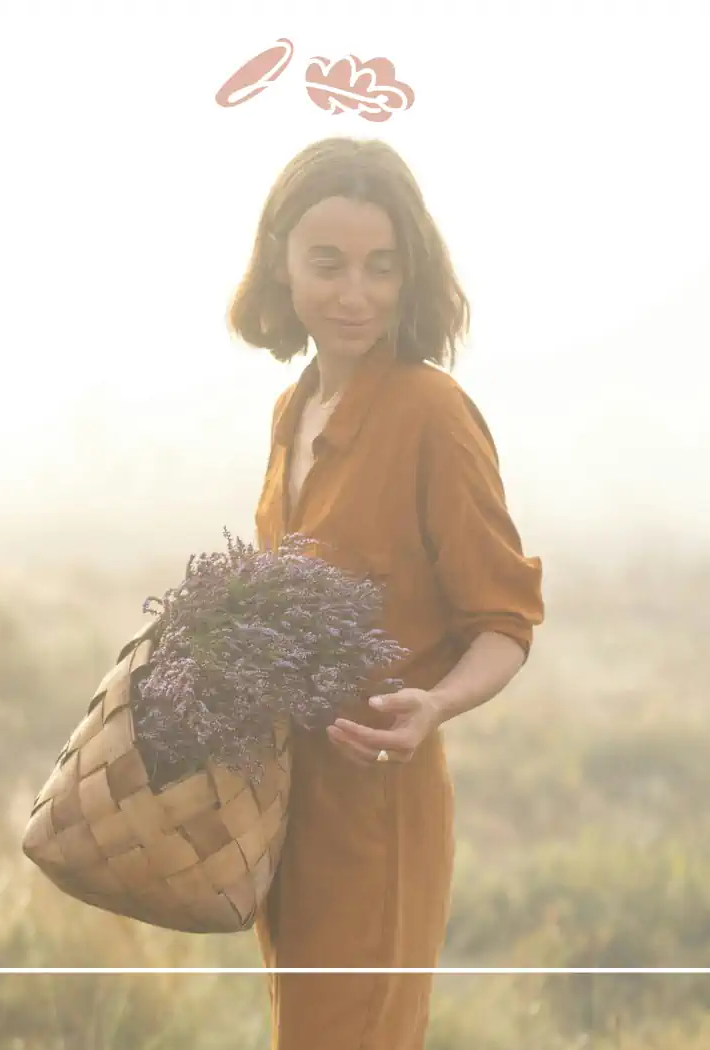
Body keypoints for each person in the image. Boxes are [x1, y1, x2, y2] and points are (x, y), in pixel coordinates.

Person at [227, 136, 546, 1050]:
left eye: (381, 268)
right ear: (281, 264)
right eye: (328, 264)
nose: (355, 294)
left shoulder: (432, 416)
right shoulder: (295, 410)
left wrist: (435, 704)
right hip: (288, 810)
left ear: (413, 276)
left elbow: (503, 621)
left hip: (379, 810)